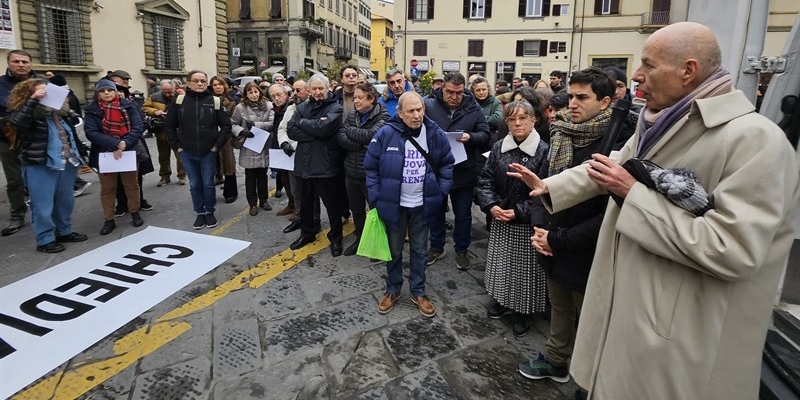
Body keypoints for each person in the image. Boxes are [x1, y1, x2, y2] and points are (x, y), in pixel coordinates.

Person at [508, 22, 800, 400]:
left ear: (688, 70)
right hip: (634, 309)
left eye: (648, 64)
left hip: (682, 335)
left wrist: (634, 196)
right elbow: (612, 166)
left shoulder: (756, 141)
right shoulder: (663, 122)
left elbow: (735, 249)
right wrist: (551, 186)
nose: (636, 74)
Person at [515, 67, 626, 382]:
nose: (572, 104)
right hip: (553, 244)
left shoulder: (617, 145)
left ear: (605, 102)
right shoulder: (562, 133)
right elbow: (542, 187)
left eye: (582, 97)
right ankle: (556, 360)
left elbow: (608, 213)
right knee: (559, 309)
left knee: (593, 321)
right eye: (571, 96)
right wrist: (540, 230)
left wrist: (558, 239)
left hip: (586, 252)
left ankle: (589, 379)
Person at [364, 92, 454, 317]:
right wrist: (376, 196)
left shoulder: (435, 133)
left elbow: (447, 164)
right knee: (393, 250)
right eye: (411, 111)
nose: (417, 115)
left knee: (420, 250)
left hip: (422, 204)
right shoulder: (385, 134)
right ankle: (392, 289)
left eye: (420, 109)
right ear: (400, 113)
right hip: (394, 204)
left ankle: (418, 290)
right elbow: (371, 167)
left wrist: (441, 191)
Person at [476, 100, 549, 336]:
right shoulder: (499, 147)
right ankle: (503, 300)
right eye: (512, 119)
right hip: (500, 216)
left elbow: (544, 191)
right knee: (501, 265)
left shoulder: (543, 151)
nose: (517, 123)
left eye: (523, 118)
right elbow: (485, 179)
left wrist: (518, 211)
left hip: (526, 222)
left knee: (526, 271)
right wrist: (491, 205)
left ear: (533, 119)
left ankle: (524, 311)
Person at [8, 77, 88, 252]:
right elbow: (17, 122)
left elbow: (70, 135)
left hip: (66, 162)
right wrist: (33, 100)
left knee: (65, 202)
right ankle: (45, 240)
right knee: (42, 206)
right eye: (41, 91)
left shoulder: (60, 112)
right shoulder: (27, 111)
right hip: (40, 164)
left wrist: (80, 151)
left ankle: (64, 231)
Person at [424, 72, 490, 270]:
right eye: (450, 92)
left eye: (459, 93)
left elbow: (485, 134)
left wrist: (471, 137)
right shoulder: (428, 105)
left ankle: (462, 249)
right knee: (436, 213)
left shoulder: (472, 106)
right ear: (442, 88)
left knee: (463, 214)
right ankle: (436, 247)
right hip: (437, 169)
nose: (454, 97)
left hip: (464, 170)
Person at [286, 74, 346, 257]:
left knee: (332, 205)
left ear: (328, 89)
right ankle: (307, 233)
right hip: (304, 164)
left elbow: (325, 129)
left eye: (321, 88)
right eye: (314, 88)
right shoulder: (302, 106)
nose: (318, 92)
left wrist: (304, 124)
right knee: (305, 204)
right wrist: (315, 131)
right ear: (309, 90)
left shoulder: (335, 107)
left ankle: (336, 237)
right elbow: (291, 130)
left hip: (325, 164)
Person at [165, 70, 232, 230]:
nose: (200, 84)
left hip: (208, 151)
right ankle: (199, 213)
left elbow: (226, 126)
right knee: (194, 184)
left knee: (208, 184)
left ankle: (209, 211)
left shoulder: (214, 101)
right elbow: (169, 126)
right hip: (187, 152)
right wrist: (177, 146)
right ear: (188, 83)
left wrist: (216, 146)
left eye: (203, 81)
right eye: (196, 81)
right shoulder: (179, 101)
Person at [84, 79, 146, 235]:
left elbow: (138, 126)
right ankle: (109, 219)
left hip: (128, 151)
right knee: (107, 189)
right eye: (102, 91)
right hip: (105, 154)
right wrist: (115, 144)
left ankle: (135, 212)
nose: (106, 93)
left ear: (114, 91)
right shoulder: (92, 110)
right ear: (98, 93)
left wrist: (125, 142)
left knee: (131, 185)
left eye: (109, 90)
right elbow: (91, 132)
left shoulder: (128, 105)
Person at [337, 82, 390, 256]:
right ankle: (360, 239)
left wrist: (355, 135)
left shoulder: (383, 116)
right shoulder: (352, 115)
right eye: (355, 97)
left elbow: (373, 136)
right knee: (357, 210)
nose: (356, 101)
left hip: (372, 174)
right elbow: (341, 137)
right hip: (351, 172)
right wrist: (362, 144)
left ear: (371, 99)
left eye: (360, 98)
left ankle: (379, 244)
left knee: (377, 211)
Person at [107, 69, 154, 216]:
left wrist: (133, 135)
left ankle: (138, 201)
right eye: (123, 81)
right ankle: (121, 203)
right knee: (117, 177)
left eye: (127, 82)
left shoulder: (130, 99)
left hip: (133, 142)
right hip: (111, 144)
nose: (126, 84)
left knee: (136, 175)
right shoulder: (104, 96)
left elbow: (139, 119)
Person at [277, 79, 321, 233]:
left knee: (311, 192)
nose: (294, 94)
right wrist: (283, 143)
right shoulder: (290, 109)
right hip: (291, 156)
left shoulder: (314, 108)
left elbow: (310, 132)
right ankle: (300, 217)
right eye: (293, 90)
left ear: (308, 91)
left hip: (308, 155)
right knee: (296, 190)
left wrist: (294, 142)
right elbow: (283, 128)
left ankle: (314, 221)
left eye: (298, 90)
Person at [0, 49, 35, 236]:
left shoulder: (41, 83)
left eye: (24, 61)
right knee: (15, 180)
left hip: (38, 138)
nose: (21, 65)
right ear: (9, 63)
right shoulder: (0, 84)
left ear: (30, 63)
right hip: (8, 139)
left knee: (40, 178)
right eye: (16, 61)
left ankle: (44, 213)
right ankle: (17, 215)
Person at [230, 81, 275, 216]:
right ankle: (252, 204)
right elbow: (232, 124)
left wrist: (255, 124)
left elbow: (271, 123)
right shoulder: (240, 107)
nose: (254, 95)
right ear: (246, 94)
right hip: (249, 146)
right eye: (250, 92)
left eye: (256, 92)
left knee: (263, 176)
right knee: (250, 178)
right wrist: (242, 131)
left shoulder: (268, 105)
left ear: (260, 92)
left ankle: (264, 200)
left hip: (263, 145)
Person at [142, 79, 186, 186]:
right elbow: (144, 107)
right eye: (164, 92)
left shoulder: (181, 96)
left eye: (170, 91)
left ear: (174, 88)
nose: (167, 94)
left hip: (177, 132)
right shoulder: (154, 96)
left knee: (180, 156)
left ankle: (182, 176)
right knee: (163, 156)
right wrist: (155, 111)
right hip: (161, 131)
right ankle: (164, 176)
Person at [210, 75, 239, 203]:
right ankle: (209, 192)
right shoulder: (206, 100)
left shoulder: (231, 101)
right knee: (209, 163)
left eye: (220, 84)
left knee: (228, 164)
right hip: (209, 136)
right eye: (215, 84)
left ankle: (230, 192)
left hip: (226, 137)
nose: (218, 87)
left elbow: (234, 119)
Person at [268, 83, 294, 215]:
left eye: (278, 94)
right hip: (278, 147)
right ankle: (291, 204)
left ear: (286, 94)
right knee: (284, 177)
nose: (276, 98)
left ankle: (297, 207)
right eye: (273, 96)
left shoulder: (291, 108)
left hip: (290, 147)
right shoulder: (275, 109)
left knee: (293, 180)